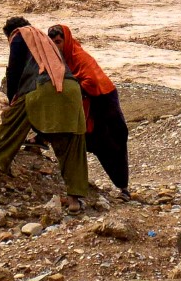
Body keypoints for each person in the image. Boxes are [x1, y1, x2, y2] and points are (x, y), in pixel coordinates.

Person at [0, 16, 90, 210]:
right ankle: (75, 199)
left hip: (43, 87)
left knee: (13, 121)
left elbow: (14, 71)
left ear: (9, 33)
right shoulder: (43, 39)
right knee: (72, 143)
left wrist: (12, 100)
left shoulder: (19, 36)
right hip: (71, 89)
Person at [49, 23, 129, 197]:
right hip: (89, 104)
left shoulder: (80, 57)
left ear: (66, 41)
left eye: (58, 41)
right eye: (53, 42)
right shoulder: (63, 58)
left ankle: (123, 186)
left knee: (113, 143)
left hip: (103, 102)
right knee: (89, 142)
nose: (56, 46)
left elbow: (92, 81)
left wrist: (74, 88)